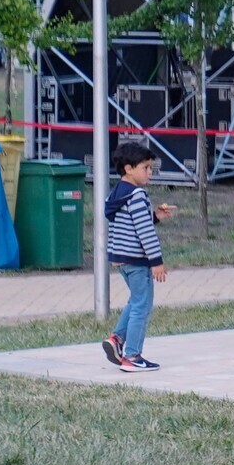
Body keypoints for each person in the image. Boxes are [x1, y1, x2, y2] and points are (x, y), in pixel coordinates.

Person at [99, 137, 173, 372]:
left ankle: (117, 339)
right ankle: (132, 355)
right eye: (146, 168)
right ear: (128, 169)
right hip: (137, 260)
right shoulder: (137, 195)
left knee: (136, 300)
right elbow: (145, 232)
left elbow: (130, 223)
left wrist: (155, 216)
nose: (150, 172)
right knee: (143, 305)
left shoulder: (116, 194)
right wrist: (156, 262)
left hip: (120, 258)